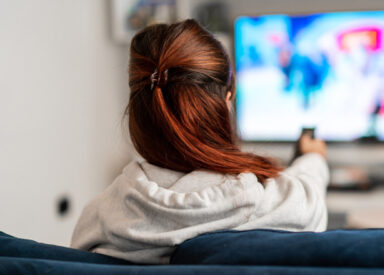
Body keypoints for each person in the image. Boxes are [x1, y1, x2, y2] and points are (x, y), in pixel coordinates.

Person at [70, 19, 329, 264]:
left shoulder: (99, 218)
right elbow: (311, 197)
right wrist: (313, 157)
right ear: (227, 99)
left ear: (140, 113)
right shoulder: (260, 203)